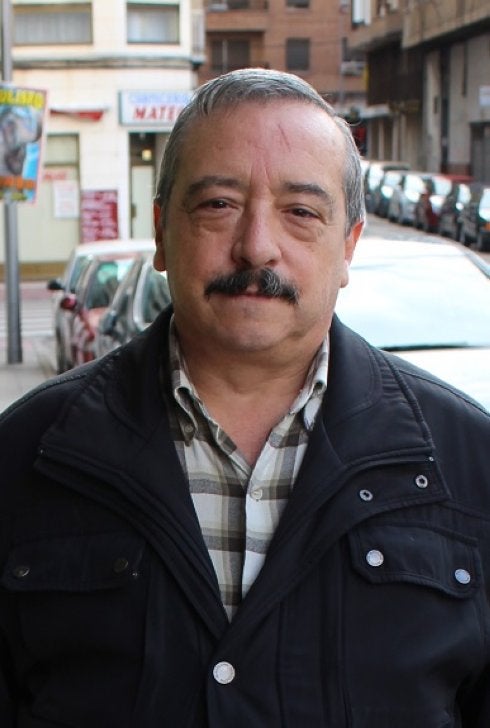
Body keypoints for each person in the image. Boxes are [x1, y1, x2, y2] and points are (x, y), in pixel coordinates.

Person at [0, 68, 489, 727]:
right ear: (161, 232)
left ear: (348, 245)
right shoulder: (25, 457)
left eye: (301, 212)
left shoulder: (469, 463)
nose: (257, 245)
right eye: (218, 205)